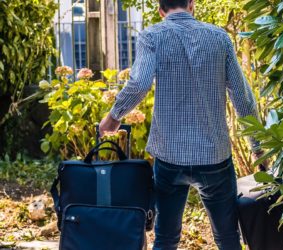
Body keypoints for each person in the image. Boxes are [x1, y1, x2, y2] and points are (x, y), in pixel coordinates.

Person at [99, 0, 266, 249]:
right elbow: (242, 97)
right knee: (228, 237)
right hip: (214, 157)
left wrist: (114, 117)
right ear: (192, 4)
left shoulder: (152, 36)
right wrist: (258, 147)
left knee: (166, 238)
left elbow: (139, 84)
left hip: (169, 158)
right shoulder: (219, 38)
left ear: (160, 9)